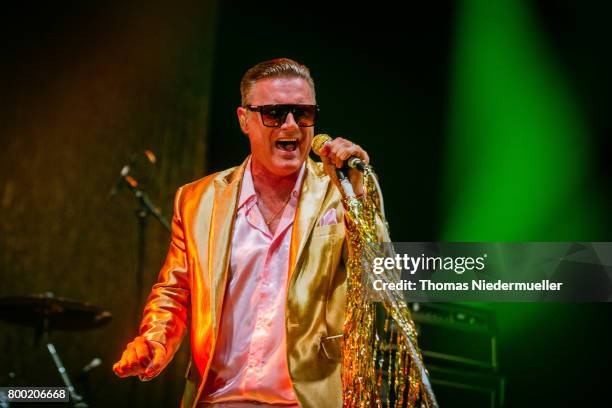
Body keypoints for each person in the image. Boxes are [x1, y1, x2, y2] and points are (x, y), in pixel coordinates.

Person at [113, 58, 377, 408]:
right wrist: (155, 341)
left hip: (305, 400)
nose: (291, 125)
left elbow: (379, 279)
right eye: (274, 113)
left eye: (303, 113)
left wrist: (357, 199)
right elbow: (176, 291)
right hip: (218, 399)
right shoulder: (198, 199)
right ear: (244, 120)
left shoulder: (340, 190)